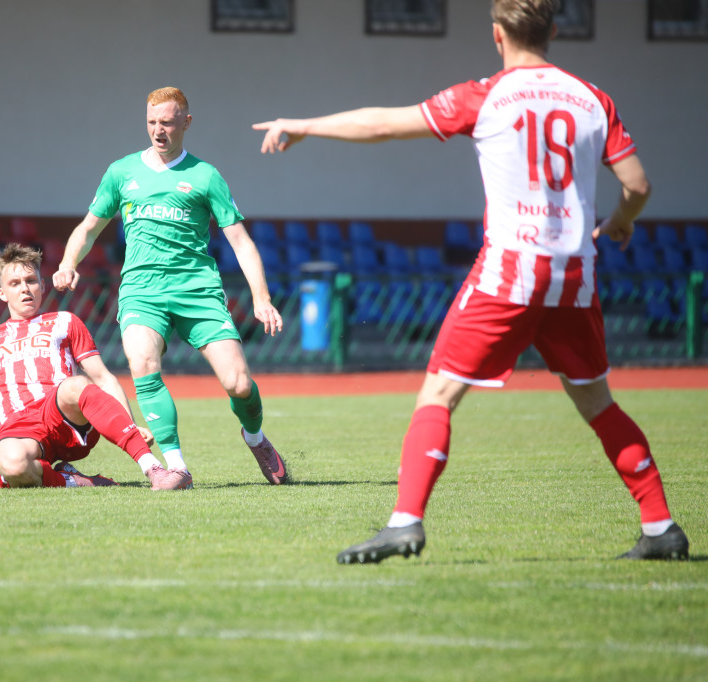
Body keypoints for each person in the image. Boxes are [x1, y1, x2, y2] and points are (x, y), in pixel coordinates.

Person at [254, 0, 688, 562]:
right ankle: (660, 526)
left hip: (511, 269)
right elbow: (639, 185)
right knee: (599, 403)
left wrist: (305, 125)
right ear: (554, 30)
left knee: (438, 394)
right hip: (574, 275)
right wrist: (622, 222)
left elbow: (384, 124)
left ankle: (405, 522)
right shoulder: (592, 99)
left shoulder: (485, 96)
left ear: (498, 34)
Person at [53, 86, 289, 486]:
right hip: (141, 290)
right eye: (151, 122)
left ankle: (255, 437)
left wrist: (261, 298)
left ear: (186, 122)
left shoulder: (205, 176)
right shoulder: (122, 172)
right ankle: (176, 467)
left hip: (197, 289)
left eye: (166, 122)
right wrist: (67, 263)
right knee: (142, 364)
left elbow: (241, 242)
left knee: (238, 383)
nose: (158, 130)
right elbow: (89, 228)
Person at [0, 243, 192, 491]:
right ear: (2, 293)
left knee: (75, 384)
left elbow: (102, 378)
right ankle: (72, 480)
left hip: (60, 415)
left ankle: (154, 469)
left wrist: (131, 424)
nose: (25, 288)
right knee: (13, 467)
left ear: (42, 286)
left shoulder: (65, 321)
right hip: (17, 429)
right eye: (15, 283)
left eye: (31, 281)